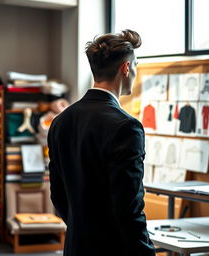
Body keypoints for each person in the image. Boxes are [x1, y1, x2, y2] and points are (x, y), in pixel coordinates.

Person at [47, 29, 155, 256]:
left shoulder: (61, 121)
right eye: (135, 66)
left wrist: (82, 228)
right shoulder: (127, 127)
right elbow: (129, 208)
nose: (135, 72)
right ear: (126, 68)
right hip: (113, 249)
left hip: (76, 247)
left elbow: (58, 193)